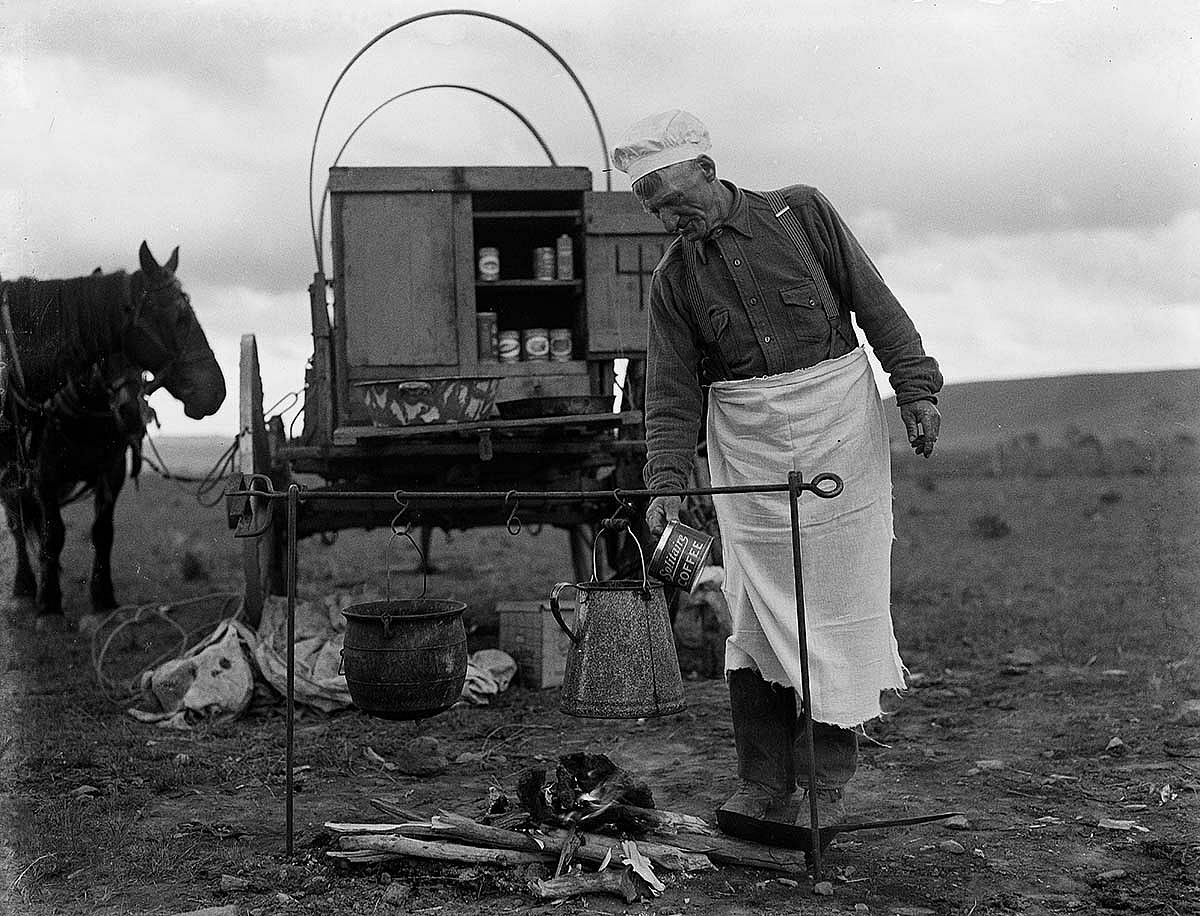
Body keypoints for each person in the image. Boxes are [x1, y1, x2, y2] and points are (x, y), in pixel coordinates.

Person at [612, 110, 943, 833]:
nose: (669, 216)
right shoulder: (673, 281)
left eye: (672, 197)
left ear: (707, 169)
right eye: (652, 206)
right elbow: (670, 392)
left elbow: (874, 302)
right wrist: (666, 484)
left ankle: (824, 786)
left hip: (838, 430)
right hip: (749, 447)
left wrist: (915, 388)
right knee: (757, 612)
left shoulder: (803, 215)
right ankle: (763, 786)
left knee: (836, 608)